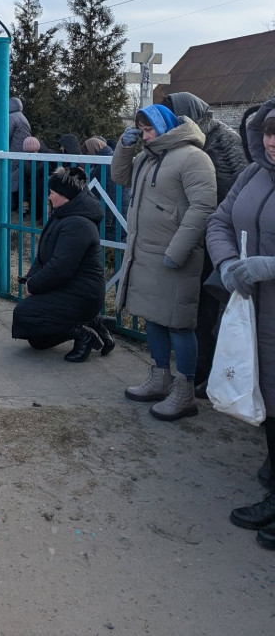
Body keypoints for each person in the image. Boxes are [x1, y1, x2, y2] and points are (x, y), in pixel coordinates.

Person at [112, 104, 216, 420]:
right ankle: (160, 378)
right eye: (141, 131)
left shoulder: (194, 157)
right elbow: (120, 176)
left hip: (174, 257)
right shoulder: (148, 156)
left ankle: (184, 394)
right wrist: (124, 147)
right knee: (153, 317)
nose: (145, 136)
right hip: (146, 253)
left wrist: (177, 251)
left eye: (148, 130)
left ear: (165, 126)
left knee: (179, 324)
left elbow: (204, 208)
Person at [206, 97, 275, 548]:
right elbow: (219, 221)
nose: (272, 142)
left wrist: (269, 266)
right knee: (269, 396)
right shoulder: (253, 174)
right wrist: (229, 262)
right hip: (254, 312)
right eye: (269, 132)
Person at [161, 90, 249, 391]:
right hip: (202, 233)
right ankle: (197, 370)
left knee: (210, 308)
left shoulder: (221, 139)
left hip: (220, 237)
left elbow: (230, 187)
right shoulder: (191, 139)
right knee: (197, 305)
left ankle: (207, 373)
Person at [11, 165, 114, 361]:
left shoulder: (78, 224)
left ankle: (83, 334)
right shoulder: (63, 215)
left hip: (83, 294)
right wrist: (30, 280)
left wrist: (34, 285)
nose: (48, 197)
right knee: (38, 340)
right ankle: (94, 323)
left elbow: (61, 267)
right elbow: (43, 257)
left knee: (25, 313)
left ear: (65, 196)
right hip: (68, 288)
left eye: (52, 193)